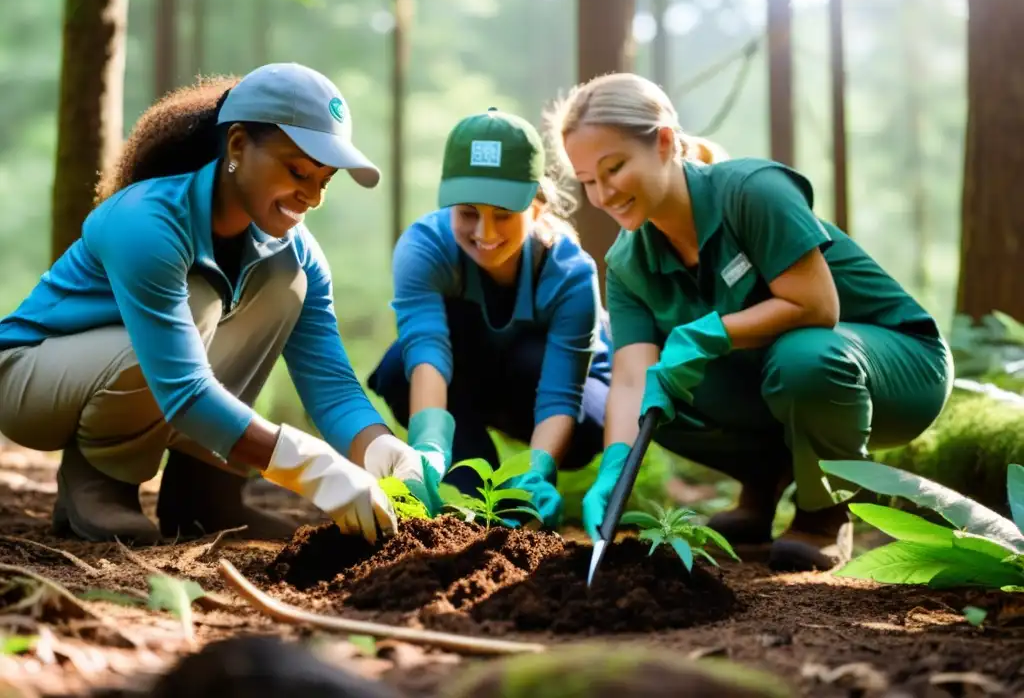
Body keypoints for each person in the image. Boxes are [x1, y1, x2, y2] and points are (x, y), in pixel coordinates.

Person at [0, 62, 444, 546]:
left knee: (283, 284)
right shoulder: (148, 221)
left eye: (325, 179)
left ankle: (205, 491)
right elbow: (183, 389)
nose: (312, 197)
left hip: (130, 374)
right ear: (236, 146)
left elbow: (330, 383)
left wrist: (379, 447)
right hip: (29, 379)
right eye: (297, 171)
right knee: (200, 301)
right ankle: (101, 481)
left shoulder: (293, 252)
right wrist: (314, 467)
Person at [545, 72, 954, 571]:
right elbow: (631, 378)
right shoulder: (630, 262)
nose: (603, 194)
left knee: (803, 355)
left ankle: (824, 510)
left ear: (665, 143)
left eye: (614, 168)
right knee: (657, 396)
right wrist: (614, 468)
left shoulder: (751, 191)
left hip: (899, 367)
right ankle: (763, 485)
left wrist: (709, 331)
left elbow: (817, 307)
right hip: (789, 377)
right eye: (588, 181)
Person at [367, 108, 610, 527]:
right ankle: (473, 488)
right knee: (398, 368)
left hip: (559, 394)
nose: (484, 232)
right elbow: (427, 351)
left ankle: (523, 487)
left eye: (503, 214)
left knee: (538, 368)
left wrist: (539, 470)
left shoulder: (571, 273)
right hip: (471, 374)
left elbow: (560, 391)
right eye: (467, 213)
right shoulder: (425, 248)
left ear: (536, 206)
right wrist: (427, 449)